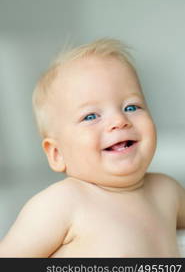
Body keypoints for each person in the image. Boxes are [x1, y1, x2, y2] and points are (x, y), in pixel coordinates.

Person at [0, 38, 184, 257]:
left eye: (131, 106)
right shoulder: (63, 203)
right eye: (91, 116)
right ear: (57, 154)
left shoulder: (167, 191)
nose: (119, 120)